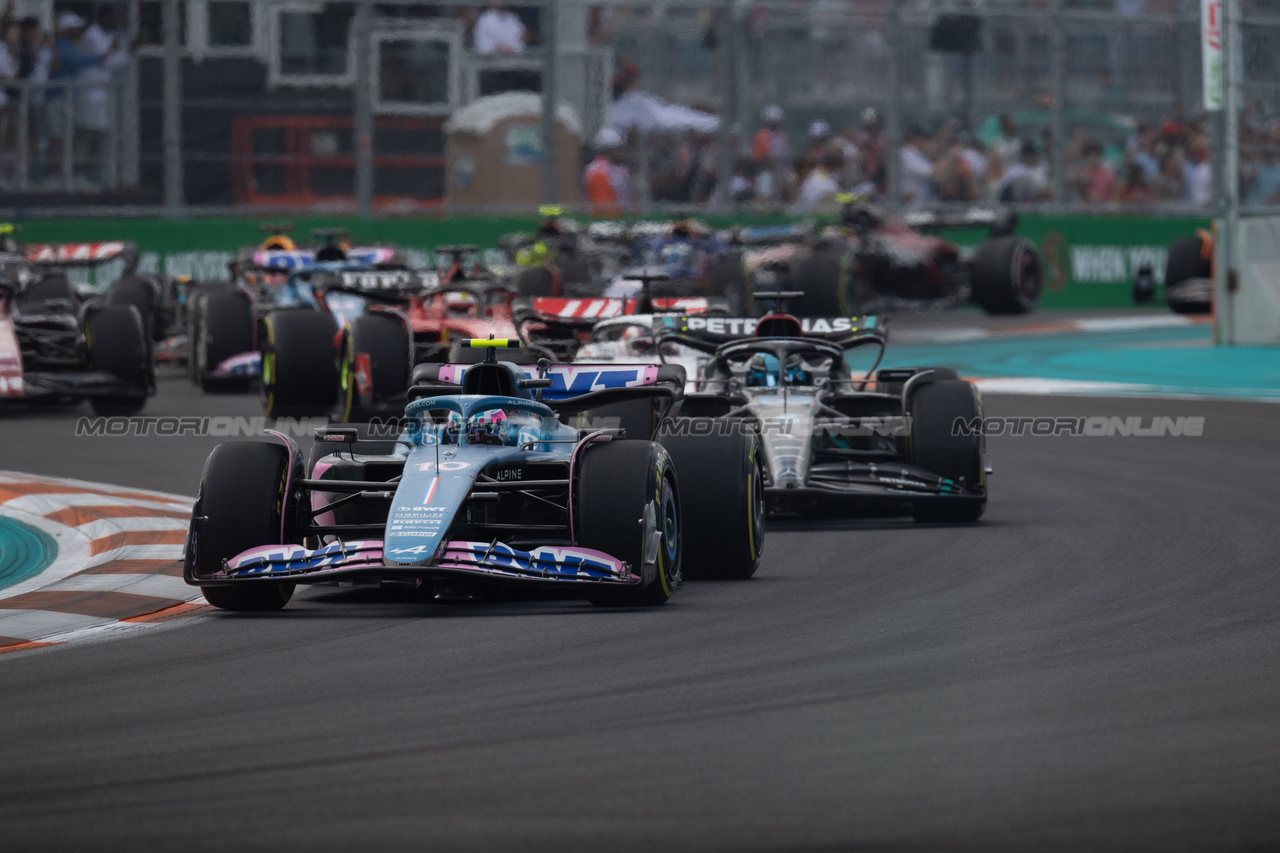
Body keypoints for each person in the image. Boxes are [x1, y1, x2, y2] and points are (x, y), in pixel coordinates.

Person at [584, 126, 631, 217]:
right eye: (618, 148)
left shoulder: (616, 168)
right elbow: (604, 208)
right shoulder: (597, 171)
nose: (621, 151)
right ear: (608, 149)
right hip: (603, 223)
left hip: (619, 218)